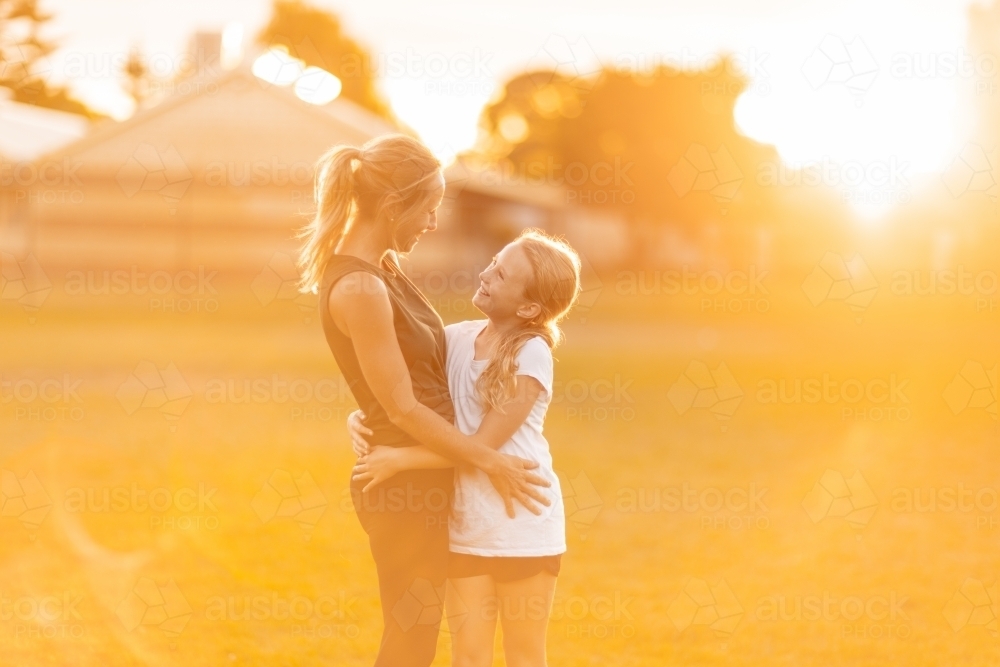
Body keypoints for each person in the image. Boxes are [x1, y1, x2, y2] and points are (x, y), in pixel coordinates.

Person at [299, 134, 552, 667]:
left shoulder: (385, 270)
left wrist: (363, 411)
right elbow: (401, 408)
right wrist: (488, 458)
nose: (432, 223)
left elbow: (403, 379)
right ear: (393, 207)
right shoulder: (359, 287)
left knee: (423, 631)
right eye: (428, 209)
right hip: (404, 487)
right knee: (411, 637)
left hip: (430, 468)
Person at [349, 228, 582, 667]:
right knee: (468, 656)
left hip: (523, 525)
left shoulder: (531, 353)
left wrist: (400, 459)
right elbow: (406, 393)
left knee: (524, 656)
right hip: (464, 527)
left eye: (502, 274)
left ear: (530, 306)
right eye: (493, 262)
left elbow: (480, 446)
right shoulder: (455, 337)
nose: (486, 274)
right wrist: (362, 417)